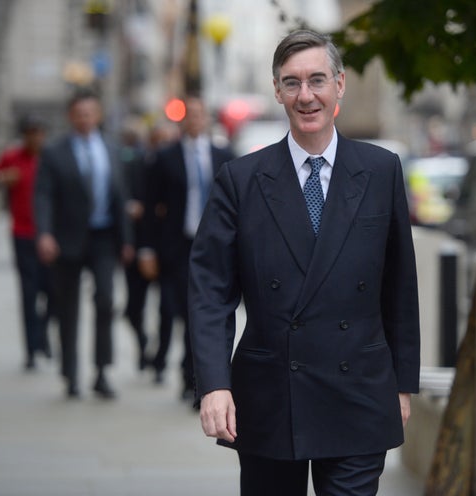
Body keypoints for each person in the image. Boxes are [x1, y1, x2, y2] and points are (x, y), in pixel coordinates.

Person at [188, 30, 420, 496]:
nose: (306, 95)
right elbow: (209, 291)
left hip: (358, 389)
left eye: (317, 80)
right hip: (271, 395)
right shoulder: (241, 180)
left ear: (339, 84)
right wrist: (214, 384)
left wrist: (402, 383)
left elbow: (400, 286)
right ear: (277, 91)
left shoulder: (381, 170)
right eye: (292, 83)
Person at [34, 90, 134, 399]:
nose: (85, 118)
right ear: (70, 116)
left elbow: (121, 197)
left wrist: (127, 240)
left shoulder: (112, 149)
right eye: (79, 113)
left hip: (104, 237)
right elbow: (44, 195)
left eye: (90, 113)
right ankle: (70, 374)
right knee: (68, 307)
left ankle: (101, 371)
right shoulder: (54, 152)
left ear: (98, 115)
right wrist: (45, 233)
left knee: (105, 300)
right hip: (68, 238)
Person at [138, 97, 234, 399]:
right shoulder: (165, 157)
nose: (194, 119)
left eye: (199, 114)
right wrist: (147, 249)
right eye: (189, 115)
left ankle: (195, 376)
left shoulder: (224, 155)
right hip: (177, 244)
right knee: (179, 309)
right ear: (182, 120)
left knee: (204, 309)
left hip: (214, 244)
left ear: (207, 118)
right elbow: (150, 206)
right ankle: (186, 370)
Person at [0, 114, 53, 370]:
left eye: (39, 133)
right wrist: (2, 178)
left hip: (50, 236)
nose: (36, 138)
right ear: (24, 136)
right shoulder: (12, 158)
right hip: (22, 234)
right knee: (28, 293)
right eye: (30, 133)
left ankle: (43, 335)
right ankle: (32, 350)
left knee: (53, 294)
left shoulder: (52, 158)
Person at [122, 120, 180, 373]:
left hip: (168, 249)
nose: (163, 147)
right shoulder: (136, 165)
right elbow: (121, 194)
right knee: (133, 308)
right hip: (138, 245)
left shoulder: (178, 169)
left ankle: (160, 360)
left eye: (168, 141)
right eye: (159, 141)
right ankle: (143, 342)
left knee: (167, 309)